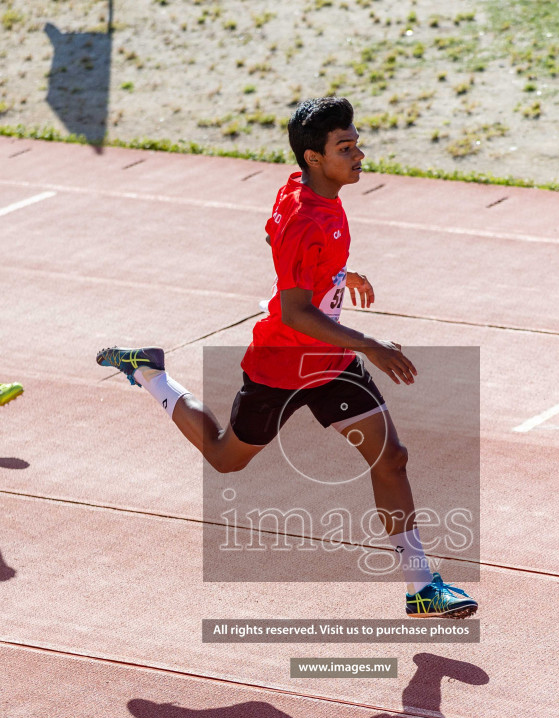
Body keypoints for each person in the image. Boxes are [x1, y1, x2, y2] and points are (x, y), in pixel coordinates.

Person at [96, 97, 477, 618]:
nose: (360, 154)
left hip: (332, 363)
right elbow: (296, 312)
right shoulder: (304, 217)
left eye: (356, 142)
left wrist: (339, 276)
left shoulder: (310, 189)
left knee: (391, 457)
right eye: (346, 147)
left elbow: (293, 259)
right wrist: (369, 343)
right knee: (225, 458)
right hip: (283, 364)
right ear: (314, 157)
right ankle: (151, 374)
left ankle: (421, 586)